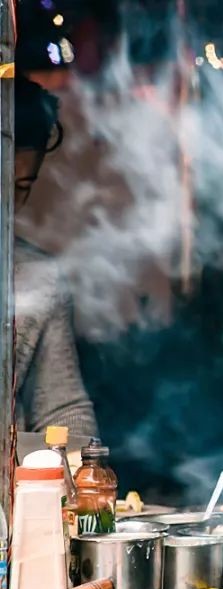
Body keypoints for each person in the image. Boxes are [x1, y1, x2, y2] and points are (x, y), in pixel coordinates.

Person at [9, 74, 98, 437]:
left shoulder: (37, 277)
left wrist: (81, 470)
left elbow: (63, 413)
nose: (5, 202)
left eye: (20, 188)